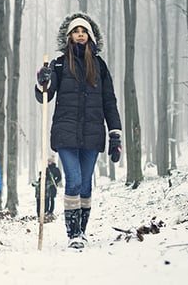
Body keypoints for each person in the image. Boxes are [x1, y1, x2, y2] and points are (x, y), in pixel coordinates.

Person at [35, 13, 122, 249]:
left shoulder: (100, 65)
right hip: (66, 133)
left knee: (85, 185)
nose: (80, 34)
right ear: (69, 36)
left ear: (90, 36)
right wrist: (42, 80)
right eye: (76, 31)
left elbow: (109, 101)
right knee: (73, 180)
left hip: (93, 134)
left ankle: (82, 231)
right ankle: (73, 234)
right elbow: (45, 95)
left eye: (84, 31)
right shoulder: (60, 63)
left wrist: (115, 134)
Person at [31, 156, 62, 220]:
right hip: (47, 186)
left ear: (52, 162)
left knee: (52, 199)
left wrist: (55, 182)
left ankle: (51, 211)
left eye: (50, 161)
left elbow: (59, 177)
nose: (48, 162)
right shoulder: (46, 169)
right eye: (48, 161)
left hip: (53, 186)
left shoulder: (56, 169)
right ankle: (46, 211)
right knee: (47, 199)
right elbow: (43, 176)